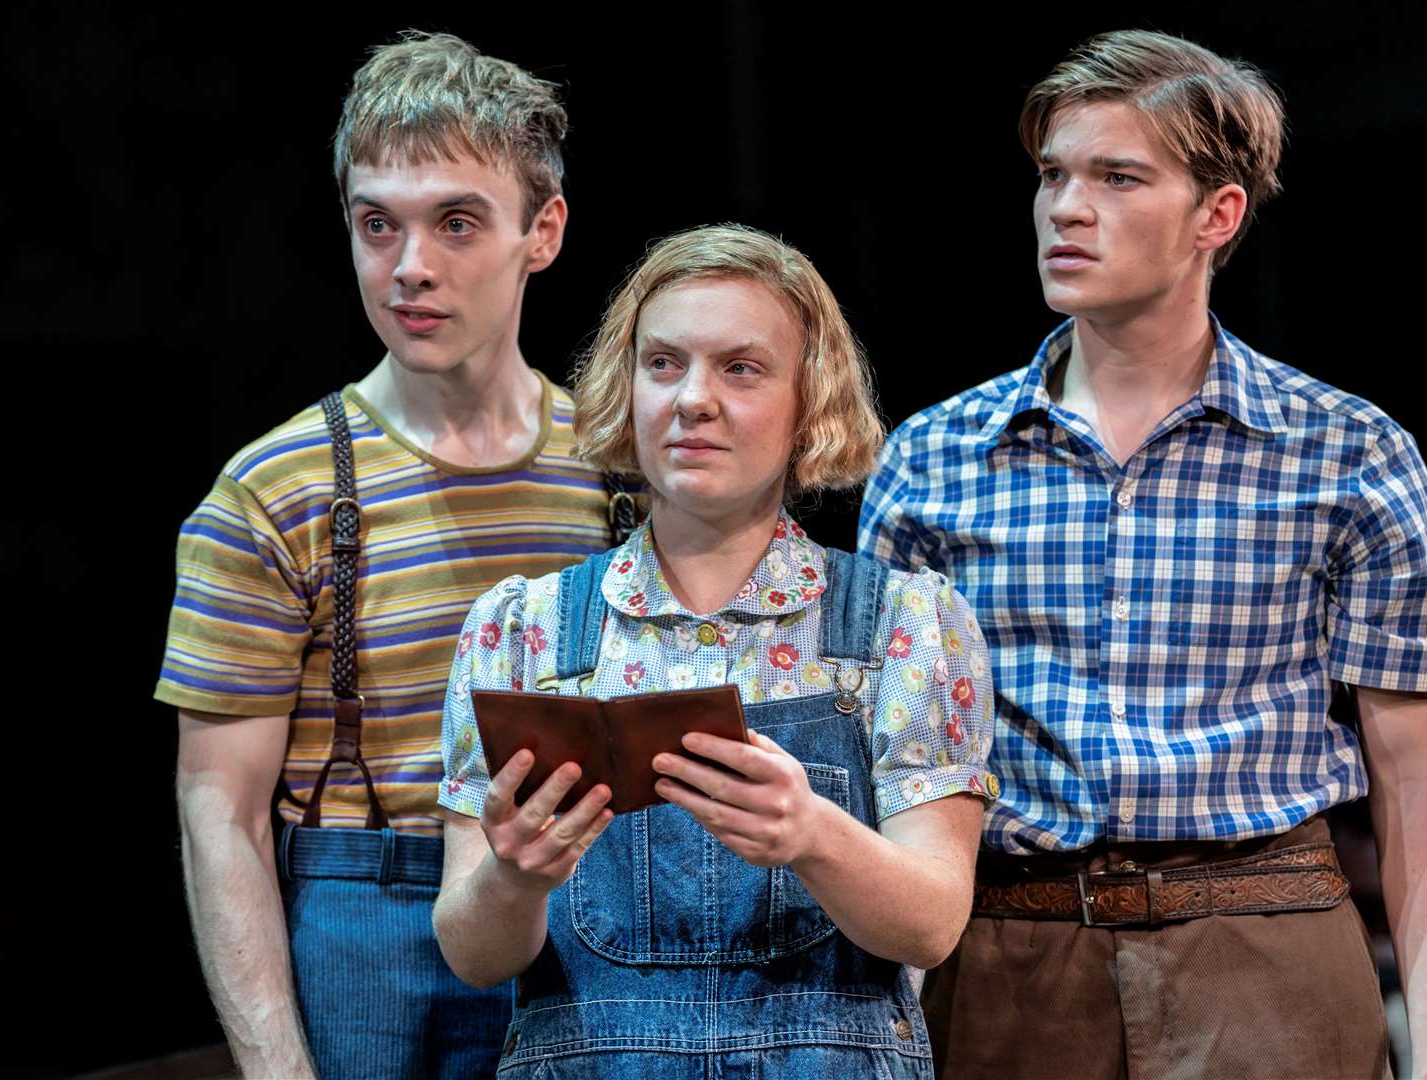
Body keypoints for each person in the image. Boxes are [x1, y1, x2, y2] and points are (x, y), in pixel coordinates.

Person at [859, 29, 1427, 1080]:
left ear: (1216, 215)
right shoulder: (934, 456)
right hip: (1011, 950)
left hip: (1266, 940)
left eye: (1118, 176)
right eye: (1053, 174)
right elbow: (889, 760)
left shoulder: (1347, 451)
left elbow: (1416, 771)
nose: (1066, 207)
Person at [157, 32, 618, 1079]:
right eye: (378, 224)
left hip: (582, 921)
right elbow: (218, 813)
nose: (410, 266)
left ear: (541, 230)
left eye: (456, 222)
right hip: (371, 922)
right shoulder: (274, 493)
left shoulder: (618, 470)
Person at [434, 224, 1000, 1077]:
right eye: (663, 363)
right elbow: (475, 954)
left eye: (741, 368)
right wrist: (514, 878)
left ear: (809, 399)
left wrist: (813, 833)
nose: (693, 398)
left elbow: (931, 923)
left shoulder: (902, 625)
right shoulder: (523, 630)